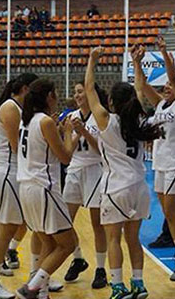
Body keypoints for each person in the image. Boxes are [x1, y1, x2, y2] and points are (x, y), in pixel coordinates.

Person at [85, 47, 162, 299]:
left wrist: (92, 61)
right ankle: (138, 284)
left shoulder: (107, 120)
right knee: (133, 239)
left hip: (116, 187)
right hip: (139, 187)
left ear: (111, 102)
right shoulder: (139, 120)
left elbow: (89, 90)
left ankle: (117, 286)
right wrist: (137, 64)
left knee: (113, 240)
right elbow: (139, 89)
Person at [131, 40, 175, 283]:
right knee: (169, 215)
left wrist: (164, 56)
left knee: (172, 213)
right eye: (167, 83)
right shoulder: (161, 104)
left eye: (173, 83)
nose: (168, 85)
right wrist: (137, 64)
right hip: (161, 163)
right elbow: (144, 86)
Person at [15, 78, 78, 299]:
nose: (58, 97)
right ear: (49, 96)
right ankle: (32, 287)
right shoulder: (45, 122)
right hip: (44, 189)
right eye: (56, 92)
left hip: (26, 188)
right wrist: (71, 134)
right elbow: (65, 157)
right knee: (68, 244)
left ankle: (40, 294)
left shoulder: (27, 121)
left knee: (48, 243)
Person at [0, 73, 39, 299]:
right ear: (25, 89)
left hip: (17, 173)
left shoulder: (18, 109)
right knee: (6, 229)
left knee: (33, 225)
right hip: (8, 172)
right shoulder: (10, 107)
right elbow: (17, 147)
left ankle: (38, 277)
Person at [61, 81, 109, 289]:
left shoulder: (101, 116)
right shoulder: (71, 117)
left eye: (80, 91)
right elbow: (68, 151)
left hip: (95, 170)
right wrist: (71, 133)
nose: (77, 95)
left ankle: (100, 269)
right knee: (64, 221)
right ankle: (78, 258)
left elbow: (102, 150)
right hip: (74, 170)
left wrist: (85, 132)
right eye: (75, 92)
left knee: (97, 224)